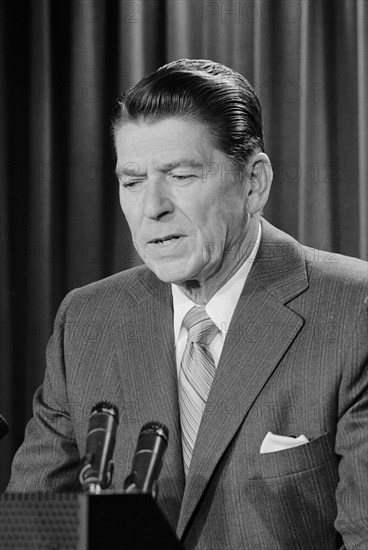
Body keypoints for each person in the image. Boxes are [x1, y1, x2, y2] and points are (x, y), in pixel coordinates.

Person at [7, 59, 368, 549]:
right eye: (132, 181)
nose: (151, 207)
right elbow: (31, 527)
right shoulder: (88, 320)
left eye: (179, 175)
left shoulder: (353, 311)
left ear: (254, 182)